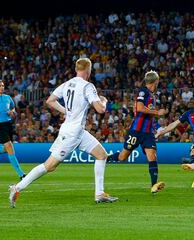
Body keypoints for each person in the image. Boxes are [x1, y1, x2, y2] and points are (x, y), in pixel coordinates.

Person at [8, 58, 118, 208]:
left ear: (76, 69)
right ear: (89, 70)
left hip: (78, 132)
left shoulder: (67, 84)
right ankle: (17, 187)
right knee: (50, 166)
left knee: (101, 155)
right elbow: (101, 109)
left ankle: (99, 194)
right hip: (72, 134)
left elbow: (50, 100)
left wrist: (66, 111)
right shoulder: (88, 86)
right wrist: (103, 100)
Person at [107, 70, 166, 194]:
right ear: (156, 82)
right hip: (136, 131)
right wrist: (157, 112)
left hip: (148, 133)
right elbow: (139, 108)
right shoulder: (143, 91)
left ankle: (154, 185)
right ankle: (104, 158)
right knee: (122, 157)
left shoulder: (151, 94)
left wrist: (152, 126)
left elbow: (145, 112)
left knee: (152, 155)